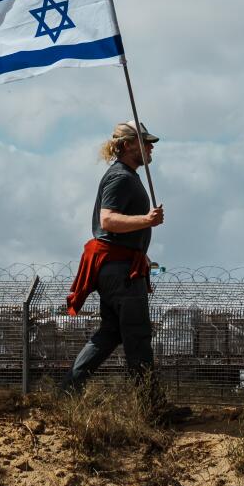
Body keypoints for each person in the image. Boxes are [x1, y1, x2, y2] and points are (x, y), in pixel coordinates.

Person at [59, 122, 189, 421]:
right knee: (138, 335)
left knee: (111, 332)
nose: (151, 146)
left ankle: (67, 391)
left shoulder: (126, 176)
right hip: (120, 271)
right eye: (146, 142)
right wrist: (146, 220)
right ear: (129, 145)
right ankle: (150, 408)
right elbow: (107, 220)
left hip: (115, 268)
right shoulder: (121, 177)